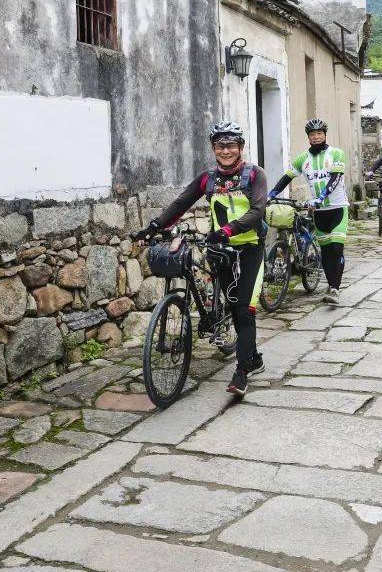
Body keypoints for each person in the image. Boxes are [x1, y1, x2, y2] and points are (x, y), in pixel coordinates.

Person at [136, 121, 267, 396]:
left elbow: (257, 210)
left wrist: (229, 230)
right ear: (213, 148)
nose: (226, 151)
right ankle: (252, 355)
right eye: (220, 146)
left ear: (241, 147)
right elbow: (181, 203)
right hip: (220, 250)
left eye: (231, 145)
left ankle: (242, 371)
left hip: (250, 246)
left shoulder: (255, 175)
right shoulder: (208, 178)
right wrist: (155, 226)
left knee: (244, 308)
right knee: (233, 306)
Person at [268, 118, 348, 306]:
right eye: (313, 134)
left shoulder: (336, 153)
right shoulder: (303, 159)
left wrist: (321, 197)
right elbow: (287, 177)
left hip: (337, 207)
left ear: (325, 135)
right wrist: (272, 193)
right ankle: (331, 286)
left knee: (336, 249)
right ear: (309, 137)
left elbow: (335, 178)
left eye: (319, 133)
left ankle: (335, 289)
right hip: (318, 213)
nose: (316, 136)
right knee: (327, 252)